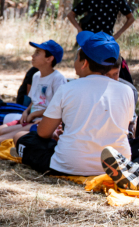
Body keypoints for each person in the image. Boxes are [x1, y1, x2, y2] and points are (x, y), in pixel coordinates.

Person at [13, 32, 133, 177]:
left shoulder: (67, 88)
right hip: (119, 164)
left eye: (76, 58)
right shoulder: (127, 90)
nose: (74, 61)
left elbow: (43, 133)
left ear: (85, 64)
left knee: (19, 136)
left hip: (70, 164)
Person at [0, 41, 67, 148]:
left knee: (13, 135)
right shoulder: (36, 76)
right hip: (31, 118)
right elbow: (34, 101)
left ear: (49, 59)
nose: (33, 55)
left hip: (45, 123)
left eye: (37, 53)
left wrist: (34, 114)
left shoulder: (57, 78)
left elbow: (58, 108)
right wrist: (26, 111)